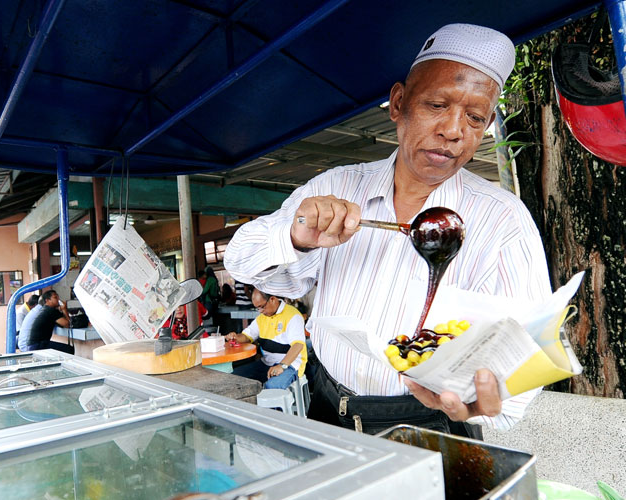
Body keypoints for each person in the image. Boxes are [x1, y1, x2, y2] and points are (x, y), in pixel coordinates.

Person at [224, 24, 552, 437]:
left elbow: (525, 348)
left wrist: (491, 394)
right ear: (399, 103)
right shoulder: (337, 187)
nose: (454, 131)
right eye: (437, 104)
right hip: (329, 407)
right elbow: (241, 261)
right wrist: (296, 238)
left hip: (433, 423)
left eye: (475, 118)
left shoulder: (503, 220)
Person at [225, 288, 307, 390]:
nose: (260, 311)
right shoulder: (261, 318)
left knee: (272, 386)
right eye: (257, 308)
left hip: (290, 364)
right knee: (234, 378)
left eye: (262, 307)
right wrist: (236, 337)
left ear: (272, 299)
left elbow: (298, 345)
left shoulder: (293, 315)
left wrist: (282, 366)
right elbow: (247, 336)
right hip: (267, 363)